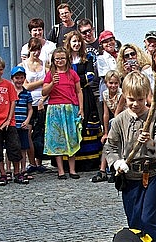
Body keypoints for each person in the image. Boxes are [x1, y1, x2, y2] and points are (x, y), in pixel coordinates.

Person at [104, 71, 156, 242]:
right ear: (124, 96)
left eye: (140, 100)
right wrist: (117, 162)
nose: (135, 104)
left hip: (152, 176)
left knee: (152, 218)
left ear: (147, 96)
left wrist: (149, 142)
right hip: (130, 178)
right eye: (131, 99)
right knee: (135, 220)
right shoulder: (119, 121)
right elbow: (110, 147)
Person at [42, 47, 83, 179]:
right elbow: (44, 92)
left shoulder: (72, 74)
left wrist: (81, 108)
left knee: (71, 138)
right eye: (57, 59)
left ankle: (72, 169)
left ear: (67, 59)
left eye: (62, 58)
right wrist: (53, 83)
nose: (60, 61)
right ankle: (60, 170)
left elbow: (79, 91)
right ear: (53, 60)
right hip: (55, 109)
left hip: (70, 108)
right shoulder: (50, 74)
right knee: (57, 139)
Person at [65, 31, 102, 171]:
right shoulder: (65, 59)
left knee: (86, 123)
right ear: (69, 43)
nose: (77, 44)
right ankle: (70, 162)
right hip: (68, 95)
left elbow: (90, 76)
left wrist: (72, 81)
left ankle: (89, 161)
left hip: (85, 95)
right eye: (74, 41)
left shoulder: (87, 58)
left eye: (79, 41)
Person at [0, 57, 27, 186]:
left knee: (14, 147)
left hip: (9, 122)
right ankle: (3, 174)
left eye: (0, 69)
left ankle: (17, 173)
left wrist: (8, 119)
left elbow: (13, 102)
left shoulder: (8, 85)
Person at [22, 37, 50, 174]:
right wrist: (41, 81)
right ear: (29, 50)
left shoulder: (44, 64)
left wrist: (43, 98)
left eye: (38, 50)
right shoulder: (24, 65)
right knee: (28, 133)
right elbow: (26, 86)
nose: (36, 53)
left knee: (41, 133)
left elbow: (49, 83)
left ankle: (39, 162)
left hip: (43, 101)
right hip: (29, 103)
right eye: (34, 50)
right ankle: (31, 162)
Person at [91, 70, 122, 183]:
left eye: (115, 83)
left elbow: (118, 113)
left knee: (111, 139)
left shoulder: (121, 94)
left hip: (121, 120)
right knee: (107, 141)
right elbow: (105, 113)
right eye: (111, 83)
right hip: (112, 121)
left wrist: (109, 133)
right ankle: (103, 170)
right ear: (106, 83)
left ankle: (112, 169)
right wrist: (105, 132)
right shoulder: (105, 94)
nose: (113, 86)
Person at [11, 66, 33, 180]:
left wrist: (27, 120)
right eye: (16, 78)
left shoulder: (26, 93)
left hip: (23, 124)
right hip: (12, 125)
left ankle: (23, 169)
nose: (19, 80)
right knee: (11, 148)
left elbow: (30, 109)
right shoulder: (10, 92)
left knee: (23, 148)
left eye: (21, 78)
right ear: (12, 79)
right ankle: (10, 170)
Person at [96, 30, 118, 104]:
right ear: (101, 45)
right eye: (105, 42)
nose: (109, 43)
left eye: (111, 40)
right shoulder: (101, 58)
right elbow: (107, 76)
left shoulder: (119, 55)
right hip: (107, 92)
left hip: (120, 93)